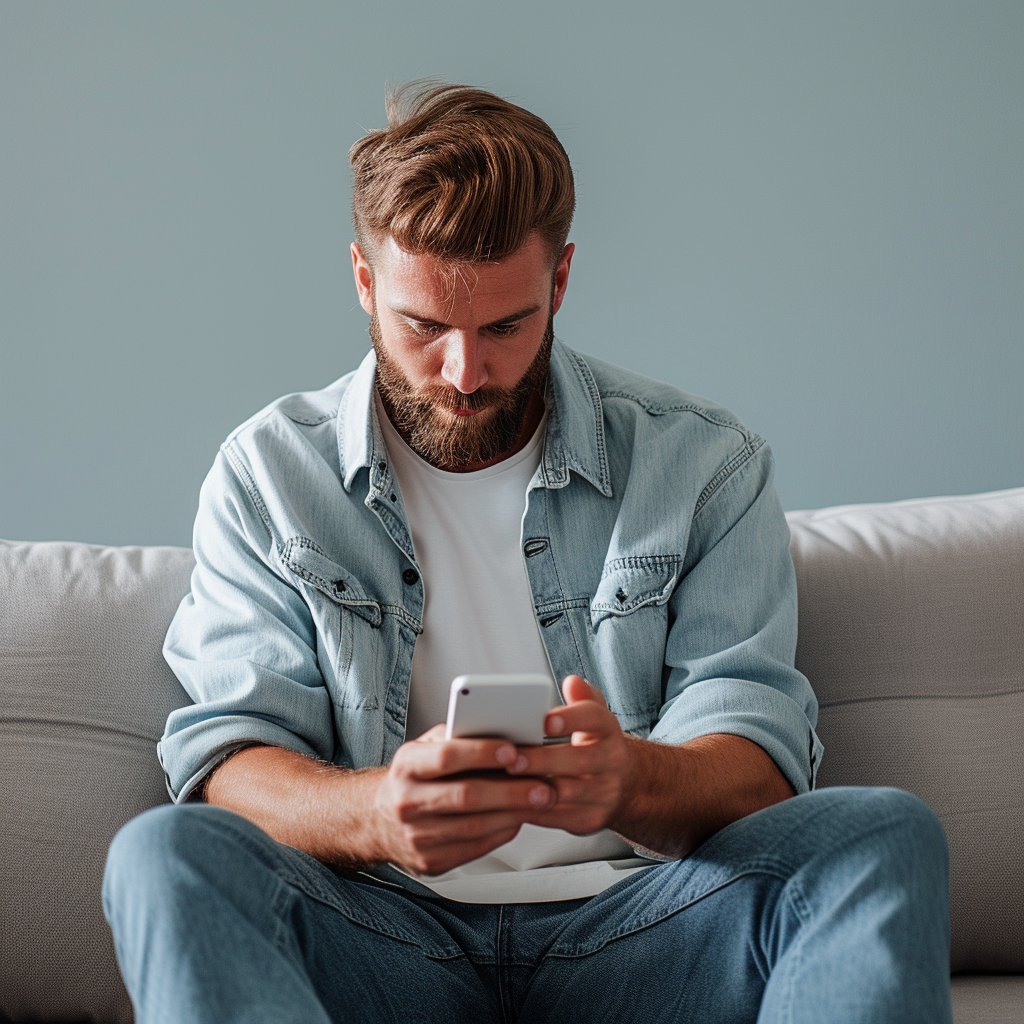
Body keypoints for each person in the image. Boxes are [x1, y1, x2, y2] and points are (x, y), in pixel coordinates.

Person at [103, 82, 952, 1023]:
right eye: (423, 327)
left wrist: (631, 780)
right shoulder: (268, 475)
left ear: (560, 280)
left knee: (879, 832)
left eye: (505, 326)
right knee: (162, 854)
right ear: (363, 282)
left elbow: (755, 755)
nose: (466, 374)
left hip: (647, 928)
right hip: (383, 935)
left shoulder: (702, 464)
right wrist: (378, 809)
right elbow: (232, 760)